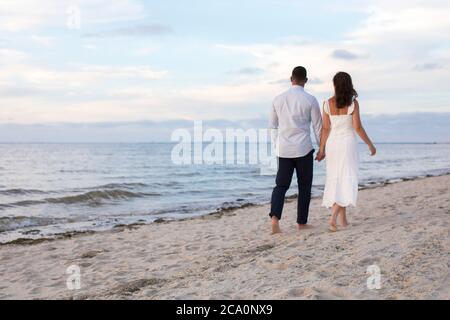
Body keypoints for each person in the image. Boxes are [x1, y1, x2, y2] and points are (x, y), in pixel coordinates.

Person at [317, 72, 376, 232]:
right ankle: (333, 218)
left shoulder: (327, 103)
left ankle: (343, 220)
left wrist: (322, 149)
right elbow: (357, 127)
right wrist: (370, 144)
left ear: (335, 84)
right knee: (345, 179)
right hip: (347, 143)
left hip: (332, 144)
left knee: (337, 178)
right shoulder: (353, 103)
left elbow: (326, 128)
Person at [269, 66, 323, 234]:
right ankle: (301, 223)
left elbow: (272, 127)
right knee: (304, 187)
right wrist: (322, 148)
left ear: (290, 78)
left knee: (280, 186)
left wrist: (276, 146)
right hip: (304, 149)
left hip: (284, 150)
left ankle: (275, 220)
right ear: (305, 80)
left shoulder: (278, 99)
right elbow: (318, 127)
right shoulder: (311, 99)